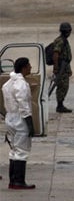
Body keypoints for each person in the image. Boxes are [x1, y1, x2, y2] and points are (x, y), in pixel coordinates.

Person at [2, 57, 36, 189]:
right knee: (22, 150)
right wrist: (30, 124)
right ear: (23, 68)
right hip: (20, 119)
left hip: (10, 117)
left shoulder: (8, 83)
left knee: (14, 150)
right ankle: (19, 181)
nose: (31, 68)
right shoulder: (21, 84)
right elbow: (23, 105)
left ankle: (13, 180)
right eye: (29, 66)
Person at [53, 22, 73, 113]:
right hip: (61, 67)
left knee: (64, 86)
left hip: (64, 66)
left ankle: (60, 104)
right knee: (62, 86)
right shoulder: (61, 41)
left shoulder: (63, 40)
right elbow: (56, 54)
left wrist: (69, 69)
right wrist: (56, 67)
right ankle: (59, 105)